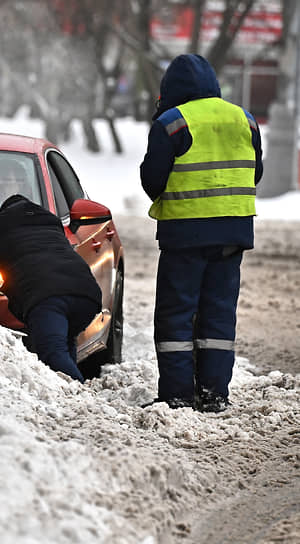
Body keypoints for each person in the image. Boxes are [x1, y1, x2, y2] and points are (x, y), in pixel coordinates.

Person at [140, 54, 263, 412]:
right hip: (233, 233)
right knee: (219, 314)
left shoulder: (172, 123)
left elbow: (153, 181)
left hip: (185, 235)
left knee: (176, 315)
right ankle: (214, 395)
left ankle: (177, 396)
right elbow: (255, 173)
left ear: (171, 90)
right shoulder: (246, 119)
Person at [0, 194, 102, 382]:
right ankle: (67, 397)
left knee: (52, 353)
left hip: (47, 297)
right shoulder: (52, 224)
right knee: (65, 343)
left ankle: (81, 394)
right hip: (87, 294)